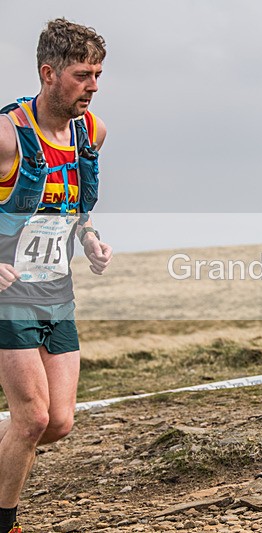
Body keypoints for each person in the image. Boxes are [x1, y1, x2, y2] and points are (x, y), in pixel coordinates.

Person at [0, 19, 112, 532]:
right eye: (82, 75)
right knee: (33, 418)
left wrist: (88, 238)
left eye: (98, 74)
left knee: (60, 422)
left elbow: (71, 209)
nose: (93, 86)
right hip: (8, 298)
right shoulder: (7, 137)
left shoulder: (92, 133)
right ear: (48, 73)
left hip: (56, 294)